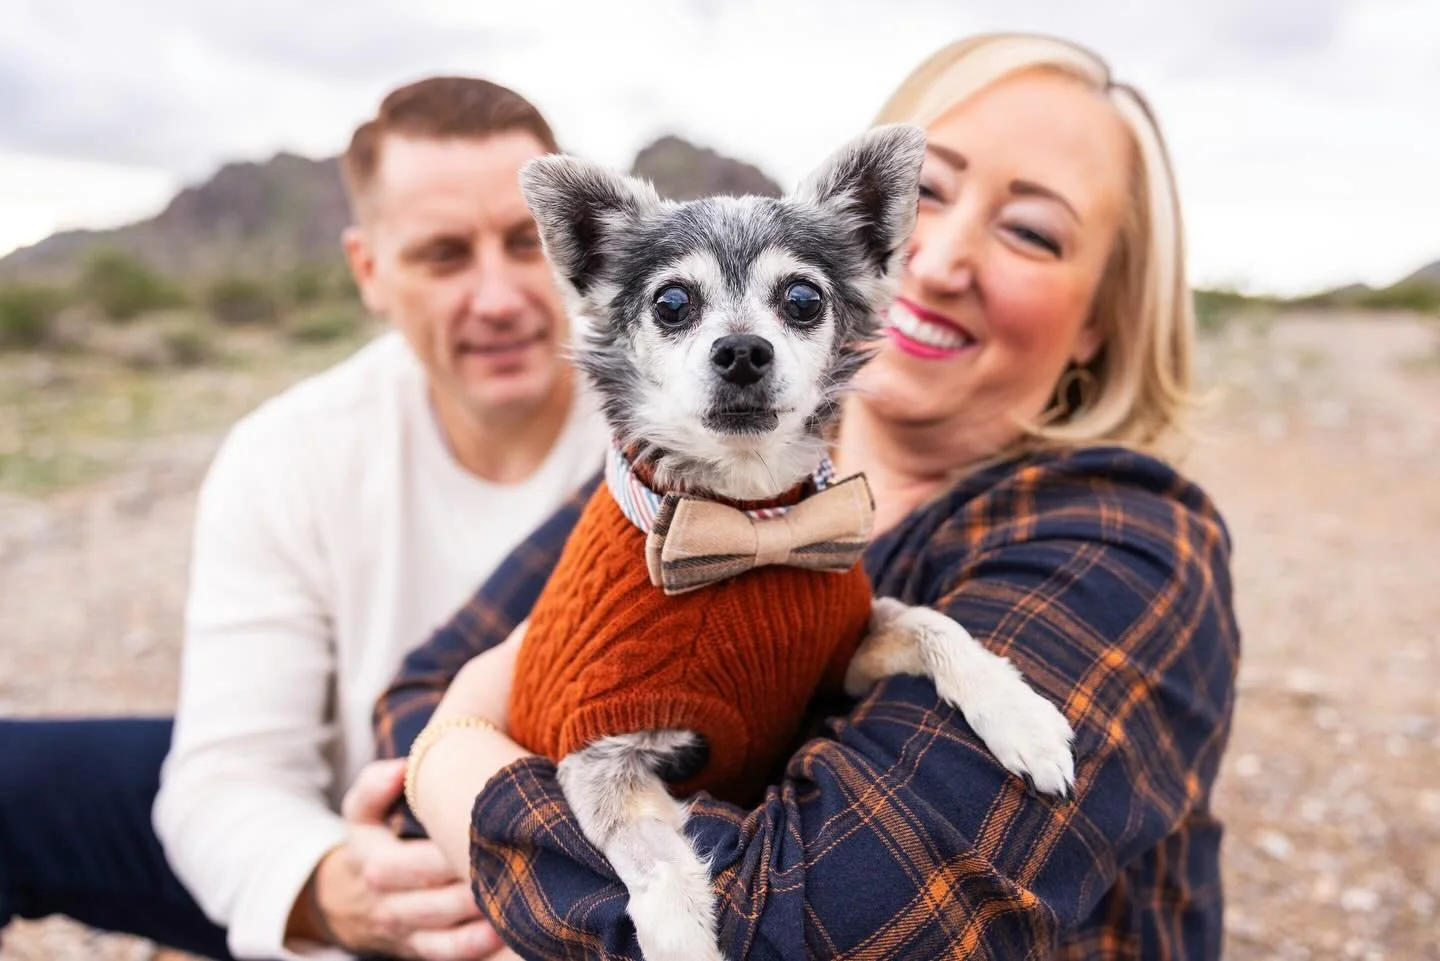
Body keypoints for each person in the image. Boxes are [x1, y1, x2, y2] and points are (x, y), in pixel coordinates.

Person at [375, 33, 1240, 961]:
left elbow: (804, 934)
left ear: (1104, 317)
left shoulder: (1127, 547)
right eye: (932, 196)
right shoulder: (667, 484)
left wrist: (464, 777)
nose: (936, 260)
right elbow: (414, 696)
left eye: (1030, 229)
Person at [0, 76, 608, 960]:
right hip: (361, 836)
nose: (500, 293)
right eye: (444, 254)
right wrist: (330, 887)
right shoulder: (287, 454)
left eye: (527, 243)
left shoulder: (677, 418)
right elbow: (229, 777)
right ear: (369, 271)